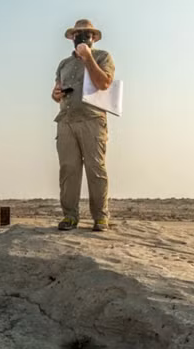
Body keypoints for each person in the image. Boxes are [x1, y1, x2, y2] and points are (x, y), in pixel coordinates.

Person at [52, 19, 115, 232]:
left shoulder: (102, 57)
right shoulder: (63, 64)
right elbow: (56, 92)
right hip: (66, 120)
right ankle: (70, 216)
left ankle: (100, 218)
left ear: (93, 37)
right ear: (71, 38)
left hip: (92, 119)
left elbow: (104, 83)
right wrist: (56, 94)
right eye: (77, 34)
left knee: (95, 169)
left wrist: (87, 57)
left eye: (86, 34)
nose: (81, 37)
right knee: (68, 170)